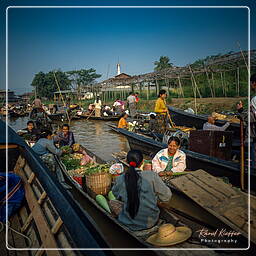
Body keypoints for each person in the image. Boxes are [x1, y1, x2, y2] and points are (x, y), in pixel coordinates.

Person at [112, 150, 172, 231]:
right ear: (142, 162)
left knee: (112, 202)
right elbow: (167, 197)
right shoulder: (152, 175)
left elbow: (116, 195)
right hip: (151, 222)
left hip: (127, 222)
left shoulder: (120, 178)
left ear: (126, 162)